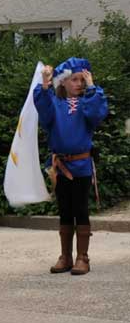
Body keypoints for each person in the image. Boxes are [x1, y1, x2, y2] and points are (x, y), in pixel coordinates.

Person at [34, 57, 109, 275]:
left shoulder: (87, 103)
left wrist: (92, 87)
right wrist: (45, 83)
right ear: (63, 82)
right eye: (74, 79)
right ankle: (65, 256)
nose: (79, 83)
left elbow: (97, 114)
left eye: (81, 80)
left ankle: (82, 257)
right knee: (65, 210)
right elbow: (43, 111)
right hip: (60, 167)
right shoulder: (54, 104)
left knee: (81, 209)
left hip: (82, 165)